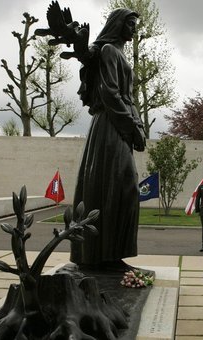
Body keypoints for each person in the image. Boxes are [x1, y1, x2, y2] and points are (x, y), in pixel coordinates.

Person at [70, 9, 146, 268]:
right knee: (116, 186)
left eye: (135, 24)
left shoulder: (119, 54)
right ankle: (101, 256)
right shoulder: (109, 51)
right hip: (110, 125)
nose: (134, 29)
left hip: (119, 124)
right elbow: (110, 93)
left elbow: (128, 97)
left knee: (123, 188)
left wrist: (138, 125)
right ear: (118, 25)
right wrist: (131, 127)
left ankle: (112, 254)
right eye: (130, 24)